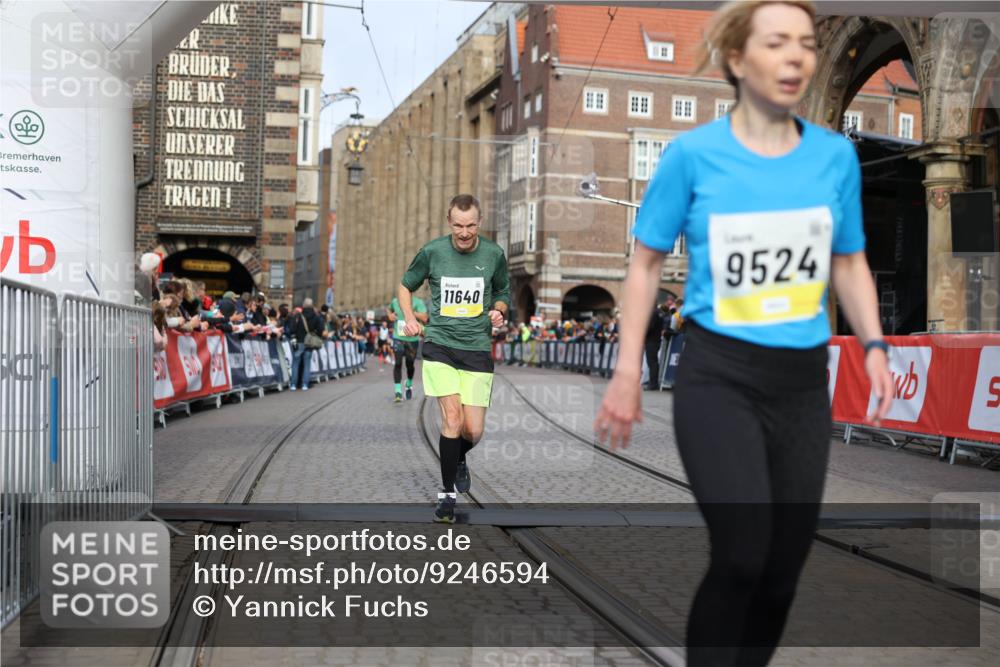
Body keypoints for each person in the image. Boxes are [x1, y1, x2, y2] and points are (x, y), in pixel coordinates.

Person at [592, 3, 893, 666]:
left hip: (800, 386)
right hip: (718, 375)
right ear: (736, 60)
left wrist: (872, 344)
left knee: (781, 570)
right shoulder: (692, 156)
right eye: (777, 42)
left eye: (807, 45)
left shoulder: (835, 158)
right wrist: (624, 372)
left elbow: (848, 262)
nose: (796, 58)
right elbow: (643, 263)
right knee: (742, 551)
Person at [397, 194, 510, 523]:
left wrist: (499, 311)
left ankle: (458, 457)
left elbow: (502, 292)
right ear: (450, 223)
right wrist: (411, 317)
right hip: (440, 345)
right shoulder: (433, 252)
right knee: (452, 420)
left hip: (476, 347)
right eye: (458, 226)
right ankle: (447, 496)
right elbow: (406, 286)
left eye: (470, 225)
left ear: (480, 222)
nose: (464, 232)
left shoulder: (493, 254)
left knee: (473, 430)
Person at [387, 295, 429, 402]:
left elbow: (425, 317)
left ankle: (409, 383)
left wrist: (410, 312)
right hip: (398, 337)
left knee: (410, 364)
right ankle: (398, 392)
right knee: (398, 362)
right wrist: (389, 315)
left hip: (412, 339)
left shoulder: (418, 302)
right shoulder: (395, 301)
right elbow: (388, 309)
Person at [288, 297, 324, 391]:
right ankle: (305, 384)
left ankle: (293, 385)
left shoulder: (298, 316)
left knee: (295, 363)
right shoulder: (316, 316)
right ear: (312, 306)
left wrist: (294, 336)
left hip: (299, 341)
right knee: (307, 364)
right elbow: (321, 329)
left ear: (303, 305)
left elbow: (292, 329)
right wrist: (315, 335)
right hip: (309, 343)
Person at [643, 302, 665, 391]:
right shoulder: (658, 313)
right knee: (653, 362)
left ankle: (653, 384)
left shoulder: (653, 313)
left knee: (652, 362)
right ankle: (653, 382)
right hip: (655, 339)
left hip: (651, 340)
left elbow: (649, 327)